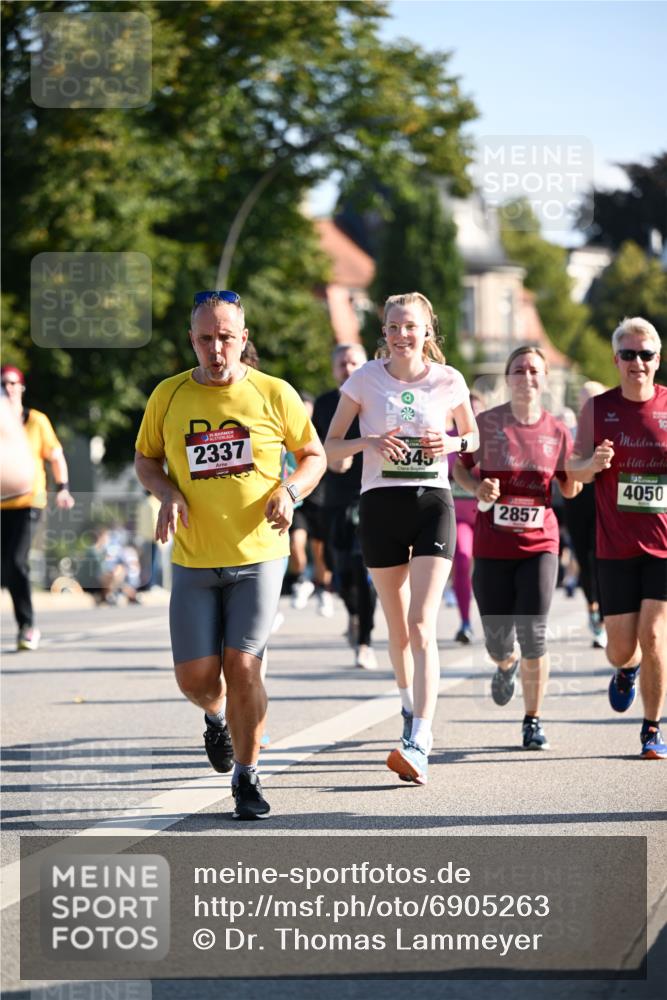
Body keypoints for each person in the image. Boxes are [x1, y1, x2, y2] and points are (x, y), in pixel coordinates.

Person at [134, 290, 326, 818]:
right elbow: (146, 459)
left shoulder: (273, 392)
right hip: (194, 559)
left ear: (243, 339)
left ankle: (247, 777)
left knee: (243, 665)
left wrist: (290, 491)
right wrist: (168, 493)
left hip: (260, 554)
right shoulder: (169, 397)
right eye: (205, 339)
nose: (216, 349)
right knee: (196, 679)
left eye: (225, 338)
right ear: (191, 341)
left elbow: (314, 454)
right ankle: (215, 717)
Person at [325, 291, 478, 785]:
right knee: (396, 628)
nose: (402, 335)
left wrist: (450, 443)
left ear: (427, 331)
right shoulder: (364, 380)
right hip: (380, 505)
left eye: (410, 326)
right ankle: (409, 707)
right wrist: (367, 442)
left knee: (421, 624)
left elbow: (472, 437)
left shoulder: (448, 379)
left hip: (432, 501)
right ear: (383, 333)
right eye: (393, 327)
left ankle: (421, 739)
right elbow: (329, 449)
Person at [454, 346, 582, 750]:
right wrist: (477, 487)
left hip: (540, 543)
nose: (527, 377)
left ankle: (533, 719)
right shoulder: (487, 423)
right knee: (497, 640)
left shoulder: (557, 430)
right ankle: (504, 665)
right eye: (519, 370)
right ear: (508, 378)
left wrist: (586, 469)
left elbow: (570, 486)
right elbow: (459, 465)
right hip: (493, 545)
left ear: (544, 380)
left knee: (534, 635)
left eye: (534, 371)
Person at [567, 317, 667, 759]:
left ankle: (651, 729)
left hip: (663, 545)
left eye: (646, 355)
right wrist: (594, 466)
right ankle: (626, 670)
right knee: (621, 649)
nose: (637, 363)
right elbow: (571, 472)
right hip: (614, 548)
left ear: (658, 360)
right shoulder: (598, 409)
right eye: (628, 354)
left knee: (655, 635)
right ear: (615, 360)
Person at [1, 365, 75, 650]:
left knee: (15, 561)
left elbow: (55, 456)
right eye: (2, 384)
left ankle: (27, 626)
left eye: (11, 384)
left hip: (28, 502)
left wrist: (63, 488)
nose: (7, 389)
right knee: (5, 565)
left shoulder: (36, 421)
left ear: (20, 388)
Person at [314, 343, 377, 670]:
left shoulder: (373, 399)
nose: (348, 367)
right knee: (338, 567)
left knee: (366, 566)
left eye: (354, 362)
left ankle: (365, 641)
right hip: (334, 496)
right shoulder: (325, 404)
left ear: (364, 364)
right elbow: (312, 449)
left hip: (370, 493)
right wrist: (330, 462)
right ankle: (353, 614)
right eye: (342, 363)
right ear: (334, 368)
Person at [562, 381, 608, 648]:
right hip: (576, 501)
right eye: (584, 400)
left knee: (600, 558)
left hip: (603, 503)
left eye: (594, 399)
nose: (588, 405)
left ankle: (602, 619)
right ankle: (591, 605)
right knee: (583, 558)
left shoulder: (612, 430)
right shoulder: (571, 433)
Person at [447, 393, 485, 644]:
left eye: (477, 413)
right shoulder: (447, 439)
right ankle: (465, 621)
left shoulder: (493, 440)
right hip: (459, 518)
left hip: (488, 517)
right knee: (461, 558)